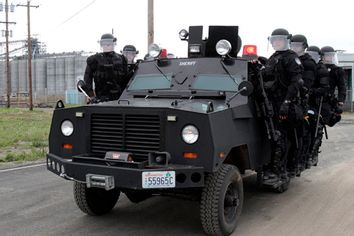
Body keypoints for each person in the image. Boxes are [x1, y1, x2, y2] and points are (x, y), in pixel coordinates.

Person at [261, 28, 303, 188]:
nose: (277, 42)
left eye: (280, 40)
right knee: (272, 137)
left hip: (284, 104)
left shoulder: (291, 58)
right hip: (270, 103)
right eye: (274, 40)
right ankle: (270, 168)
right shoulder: (273, 58)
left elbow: (296, 83)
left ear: (286, 41)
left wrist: (286, 103)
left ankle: (280, 172)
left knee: (281, 138)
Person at [289, 34, 316, 175]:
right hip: (288, 100)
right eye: (292, 45)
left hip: (301, 103)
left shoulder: (308, 63)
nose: (294, 48)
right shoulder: (289, 58)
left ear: (304, 46)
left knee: (301, 134)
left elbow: (306, 86)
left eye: (297, 46)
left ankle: (299, 162)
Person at [84, 33, 128, 102]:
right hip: (100, 98)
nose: (107, 45)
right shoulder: (94, 59)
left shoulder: (122, 59)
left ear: (114, 44)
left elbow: (127, 79)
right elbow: (87, 79)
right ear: (101, 44)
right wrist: (91, 95)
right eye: (105, 43)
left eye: (109, 43)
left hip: (120, 99)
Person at [306, 45, 330, 167]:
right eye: (309, 54)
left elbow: (324, 89)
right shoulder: (304, 66)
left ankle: (313, 153)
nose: (311, 57)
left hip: (316, 102)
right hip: (304, 101)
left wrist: (311, 92)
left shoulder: (322, 70)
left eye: (314, 55)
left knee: (316, 127)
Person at [320, 46, 346, 127]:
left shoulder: (337, 70)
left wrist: (340, 102)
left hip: (328, 99)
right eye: (327, 55)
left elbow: (342, 87)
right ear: (322, 56)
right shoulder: (317, 67)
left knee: (332, 119)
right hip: (315, 97)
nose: (330, 57)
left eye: (331, 55)